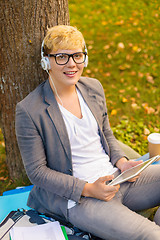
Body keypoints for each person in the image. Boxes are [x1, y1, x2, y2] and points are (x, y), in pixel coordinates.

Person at [15, 25, 160, 240]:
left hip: (118, 178)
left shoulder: (93, 88)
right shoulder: (29, 110)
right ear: (46, 61)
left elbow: (106, 133)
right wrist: (89, 189)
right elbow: (37, 172)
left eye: (77, 55)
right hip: (80, 199)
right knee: (151, 236)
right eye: (62, 57)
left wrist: (121, 162)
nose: (72, 64)